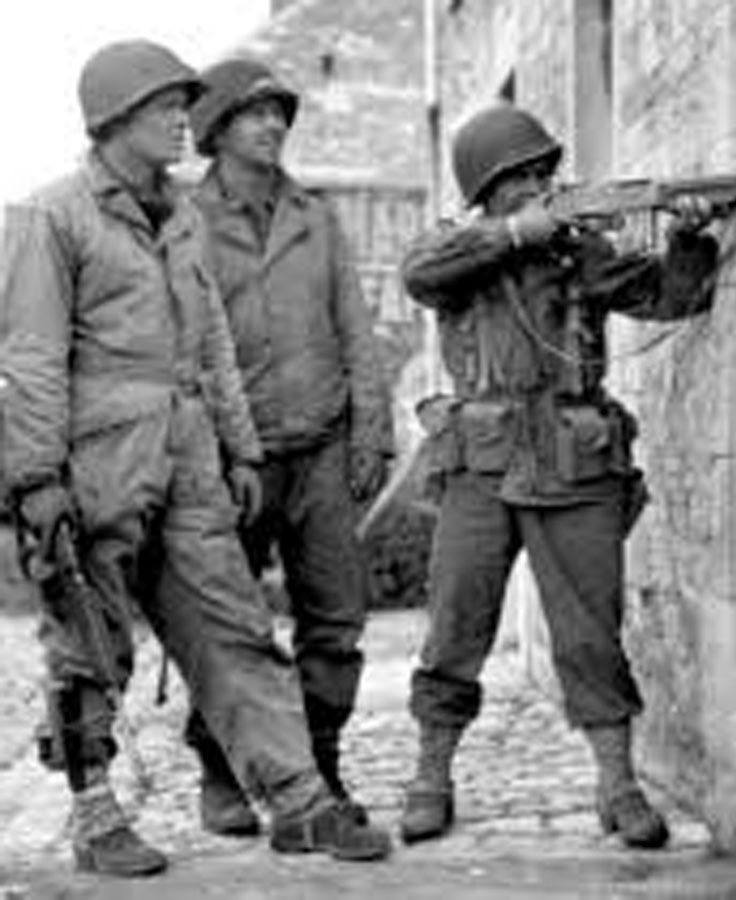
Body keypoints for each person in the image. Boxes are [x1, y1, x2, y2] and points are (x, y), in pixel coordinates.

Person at [0, 40, 390, 877]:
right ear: (115, 120)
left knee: (234, 625)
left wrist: (240, 449)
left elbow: (211, 344)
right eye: (166, 108)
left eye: (184, 106)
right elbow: (29, 359)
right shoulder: (50, 217)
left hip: (189, 455)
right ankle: (96, 817)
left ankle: (298, 801)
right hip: (95, 459)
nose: (184, 121)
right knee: (88, 641)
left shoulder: (181, 220)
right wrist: (34, 479)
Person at [397, 103, 719, 849]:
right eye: (522, 177)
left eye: (545, 172)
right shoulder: (454, 248)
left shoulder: (580, 253)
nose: (541, 184)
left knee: (589, 634)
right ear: (487, 189)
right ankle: (429, 778)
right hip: (480, 466)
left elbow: (671, 297)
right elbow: (419, 275)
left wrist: (689, 237)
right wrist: (515, 235)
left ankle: (618, 785)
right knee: (455, 626)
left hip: (574, 466)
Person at [182, 58, 394, 834]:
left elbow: (355, 328)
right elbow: (186, 343)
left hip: (322, 448)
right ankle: (220, 772)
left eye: (278, 112)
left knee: (335, 617)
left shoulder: (316, 217)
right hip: (233, 459)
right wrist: (203, 453)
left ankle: (321, 767)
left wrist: (371, 430)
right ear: (216, 132)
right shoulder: (187, 223)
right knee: (229, 623)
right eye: (254, 113)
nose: (272, 124)